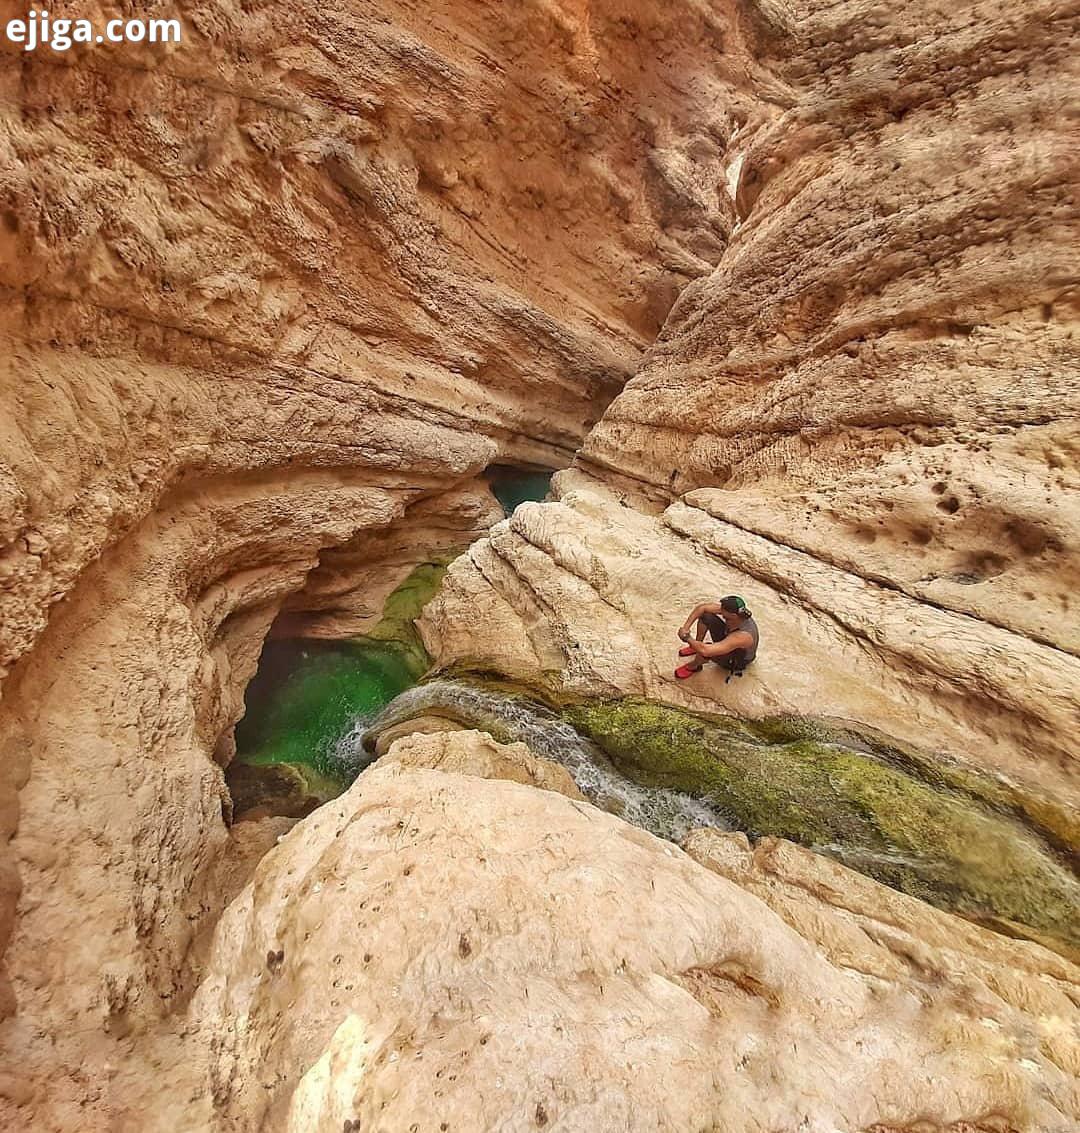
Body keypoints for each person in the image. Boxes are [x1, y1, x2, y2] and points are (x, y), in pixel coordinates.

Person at [674, 595, 759, 681]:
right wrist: (686, 628)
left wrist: (687, 638)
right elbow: (702, 608)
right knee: (706, 616)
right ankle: (694, 647)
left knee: (705, 651)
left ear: (733, 615)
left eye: (724, 614)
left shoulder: (743, 636)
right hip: (729, 638)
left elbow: (706, 650)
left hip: (737, 659)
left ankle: (694, 666)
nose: (720, 612)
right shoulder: (737, 614)